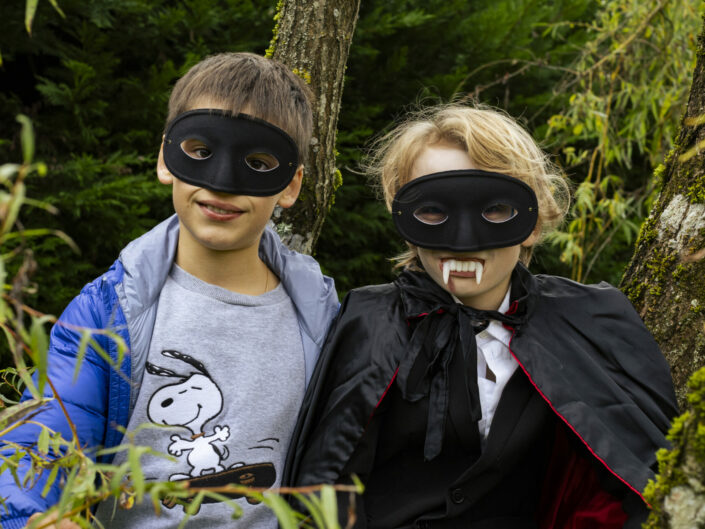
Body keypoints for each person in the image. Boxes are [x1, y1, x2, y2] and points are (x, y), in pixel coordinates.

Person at [284, 103, 678, 529]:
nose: (462, 239)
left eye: (494, 210)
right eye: (433, 211)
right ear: (403, 218)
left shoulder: (590, 319)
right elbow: (326, 490)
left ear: (532, 220)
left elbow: (636, 475)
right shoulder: (372, 322)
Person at [0, 52, 339, 529]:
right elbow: (42, 450)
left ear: (290, 185)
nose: (221, 184)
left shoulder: (324, 322)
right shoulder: (108, 315)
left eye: (257, 162)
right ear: (166, 159)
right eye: (201, 152)